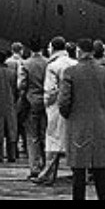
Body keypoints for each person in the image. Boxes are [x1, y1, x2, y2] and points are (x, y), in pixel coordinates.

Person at [58, 37, 105, 200]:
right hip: (100, 126)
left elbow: (63, 102)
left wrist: (69, 116)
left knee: (78, 174)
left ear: (78, 51)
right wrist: (104, 115)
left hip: (77, 127)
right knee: (102, 174)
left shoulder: (70, 72)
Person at [33, 36, 75, 186]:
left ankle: (48, 174)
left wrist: (47, 104)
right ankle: (79, 173)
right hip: (73, 108)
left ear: (53, 48)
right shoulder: (74, 63)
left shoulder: (53, 66)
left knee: (53, 141)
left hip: (56, 108)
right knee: (72, 140)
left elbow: (50, 91)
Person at [18, 41, 48, 179]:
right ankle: (46, 165)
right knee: (45, 135)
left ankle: (35, 167)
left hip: (30, 102)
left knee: (32, 137)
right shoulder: (48, 62)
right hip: (46, 102)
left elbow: (21, 84)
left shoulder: (25, 64)